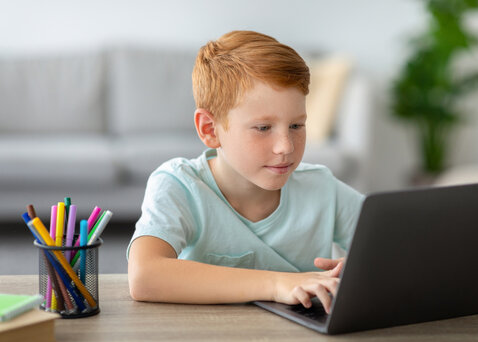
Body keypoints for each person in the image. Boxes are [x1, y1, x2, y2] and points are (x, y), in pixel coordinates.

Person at [127, 30, 364, 314]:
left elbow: (400, 248)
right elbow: (144, 276)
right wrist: (277, 284)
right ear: (210, 130)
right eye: (263, 128)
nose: (285, 147)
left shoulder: (322, 188)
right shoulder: (180, 185)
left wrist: (366, 265)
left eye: (296, 126)